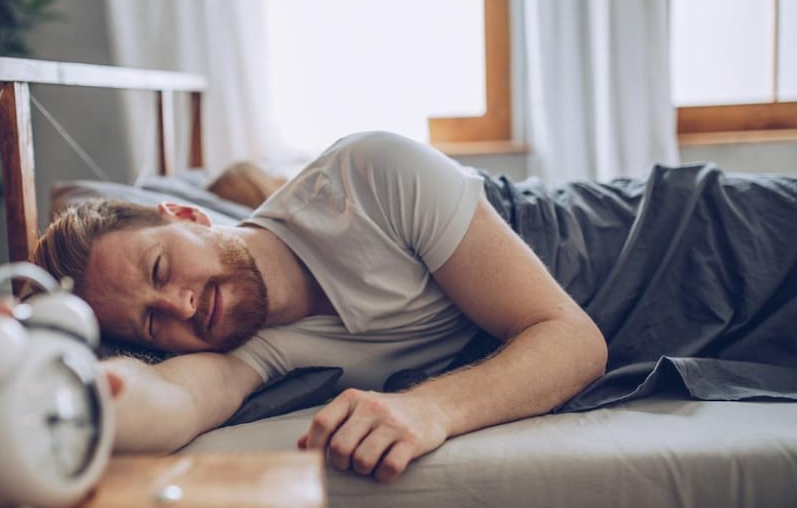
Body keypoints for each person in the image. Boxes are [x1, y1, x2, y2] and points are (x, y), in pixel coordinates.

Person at [31, 131, 608, 482]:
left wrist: (430, 409)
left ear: (185, 216)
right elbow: (170, 398)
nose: (180, 306)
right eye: (151, 323)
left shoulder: (370, 175)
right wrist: (62, 392)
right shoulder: (244, 345)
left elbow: (572, 338)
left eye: (160, 269)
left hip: (656, 230)